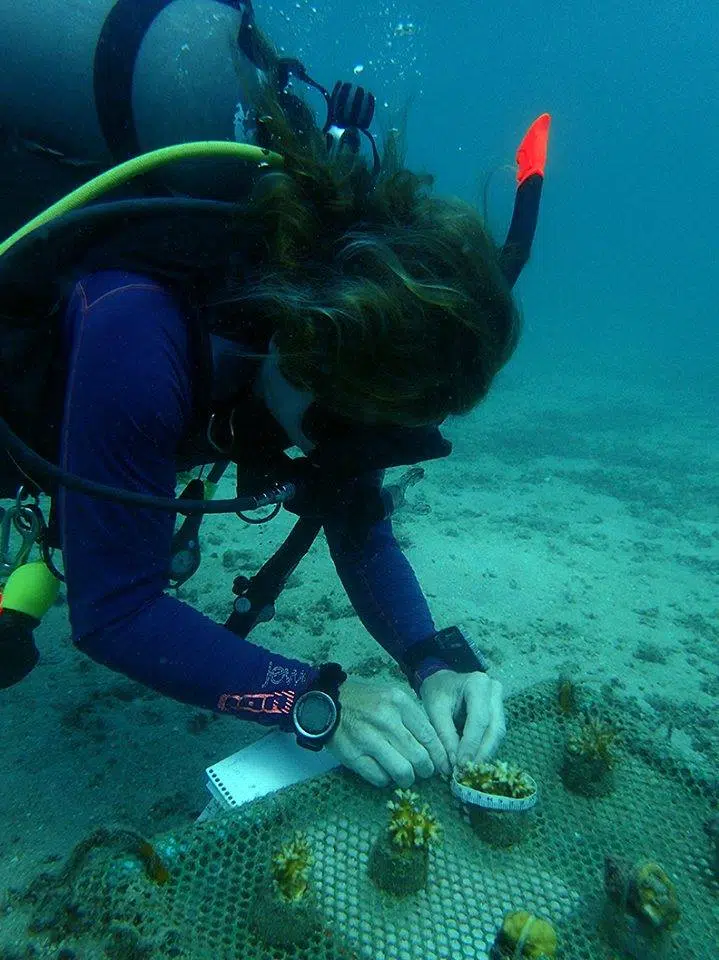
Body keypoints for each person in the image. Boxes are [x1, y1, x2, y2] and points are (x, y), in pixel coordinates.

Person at [0, 3, 549, 791]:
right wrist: (310, 698)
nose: (337, 455)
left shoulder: (334, 344)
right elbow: (115, 609)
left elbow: (355, 518)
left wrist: (435, 658)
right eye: (340, 430)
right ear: (303, 341)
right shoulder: (141, 331)